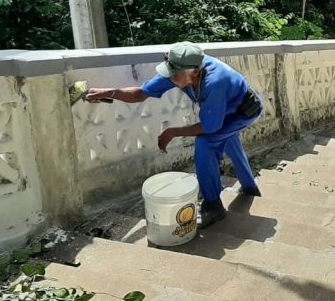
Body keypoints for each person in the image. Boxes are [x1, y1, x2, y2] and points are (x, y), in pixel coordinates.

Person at [86, 41, 263, 228]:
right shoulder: (178, 70)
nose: (169, 78)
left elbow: (209, 127)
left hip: (243, 111)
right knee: (228, 139)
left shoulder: (214, 82)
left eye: (174, 75)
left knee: (206, 143)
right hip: (225, 108)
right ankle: (250, 189)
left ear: (194, 72)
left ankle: (213, 206)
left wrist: (173, 132)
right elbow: (141, 93)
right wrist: (110, 93)